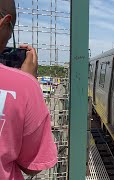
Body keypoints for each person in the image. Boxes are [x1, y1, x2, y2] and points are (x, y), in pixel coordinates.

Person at [0, 0, 57, 179]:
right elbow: (32, 166)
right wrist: (27, 81)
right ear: (4, 23)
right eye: (9, 37)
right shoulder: (24, 86)